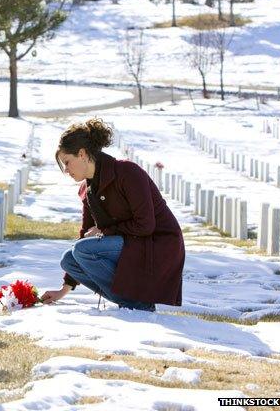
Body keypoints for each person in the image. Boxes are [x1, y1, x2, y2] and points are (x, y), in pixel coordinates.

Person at [41, 118, 184, 311]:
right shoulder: (87, 190)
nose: (66, 170)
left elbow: (146, 225)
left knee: (82, 250)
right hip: (130, 245)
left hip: (156, 245)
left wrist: (104, 230)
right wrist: (63, 290)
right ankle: (133, 304)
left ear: (82, 154)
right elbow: (85, 234)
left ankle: (138, 304)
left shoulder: (127, 172)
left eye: (67, 162)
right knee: (69, 259)